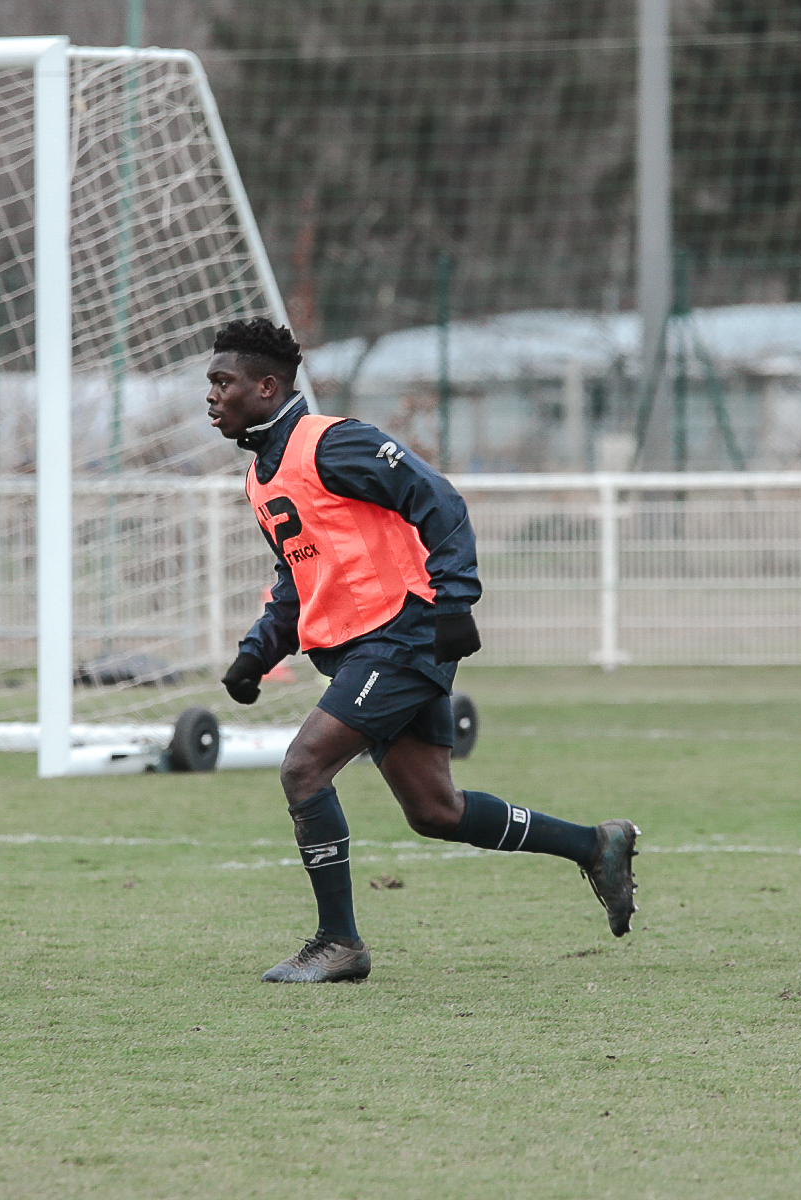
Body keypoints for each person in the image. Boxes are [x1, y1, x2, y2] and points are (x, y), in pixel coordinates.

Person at [205, 317, 639, 984]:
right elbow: (298, 576)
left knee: (303, 768)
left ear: (266, 387)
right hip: (363, 651)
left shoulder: (332, 443)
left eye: (222, 382)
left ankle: (338, 943)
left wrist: (455, 600)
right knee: (437, 811)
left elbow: (438, 499)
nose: (211, 395)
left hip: (402, 637)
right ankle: (595, 844)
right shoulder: (262, 478)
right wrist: (257, 652)